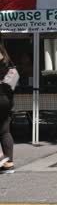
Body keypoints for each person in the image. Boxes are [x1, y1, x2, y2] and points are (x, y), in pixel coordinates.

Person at [0, 44, 19, 174]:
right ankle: (9, 163)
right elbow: (13, 82)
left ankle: (2, 158)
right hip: (7, 99)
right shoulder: (8, 63)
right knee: (5, 131)